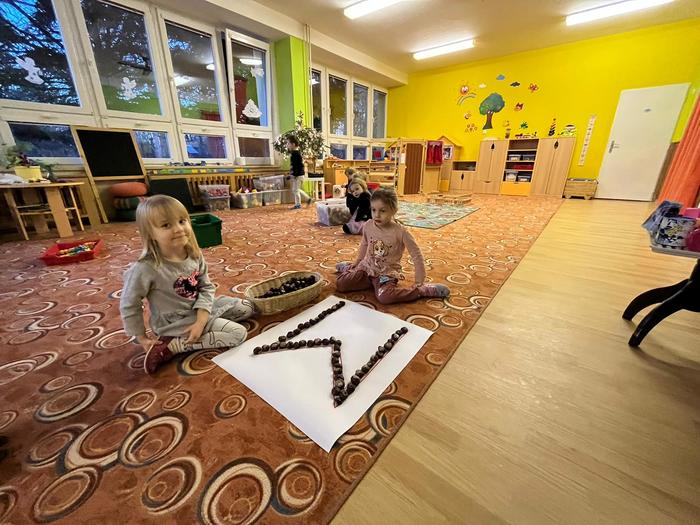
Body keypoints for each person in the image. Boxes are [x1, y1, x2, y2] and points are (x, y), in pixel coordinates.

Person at [120, 195, 256, 374]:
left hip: (199, 309)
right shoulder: (145, 268)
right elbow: (129, 303)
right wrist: (141, 337)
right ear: (150, 233)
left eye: (182, 221)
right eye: (166, 225)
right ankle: (172, 345)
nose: (178, 229)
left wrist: (201, 320)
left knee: (247, 307)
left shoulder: (193, 254)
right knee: (238, 334)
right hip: (176, 321)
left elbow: (206, 287)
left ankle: (206, 326)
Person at [336, 187, 450, 304]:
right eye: (373, 210)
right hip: (367, 268)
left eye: (382, 211)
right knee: (341, 284)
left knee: (385, 297)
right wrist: (357, 262)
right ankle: (350, 268)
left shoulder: (401, 232)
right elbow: (364, 244)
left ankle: (422, 291)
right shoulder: (368, 225)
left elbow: (416, 255)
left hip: (386, 273)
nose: (377, 215)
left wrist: (419, 281)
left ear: (394, 210)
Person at [287, 136, 312, 209]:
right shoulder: (295, 153)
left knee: (296, 190)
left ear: (293, 144)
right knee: (295, 190)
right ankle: (308, 199)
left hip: (298, 175)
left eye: (288, 143)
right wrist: (291, 174)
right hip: (298, 175)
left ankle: (298, 204)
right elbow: (294, 166)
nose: (287, 145)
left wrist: (294, 174)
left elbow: (298, 166)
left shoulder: (295, 154)